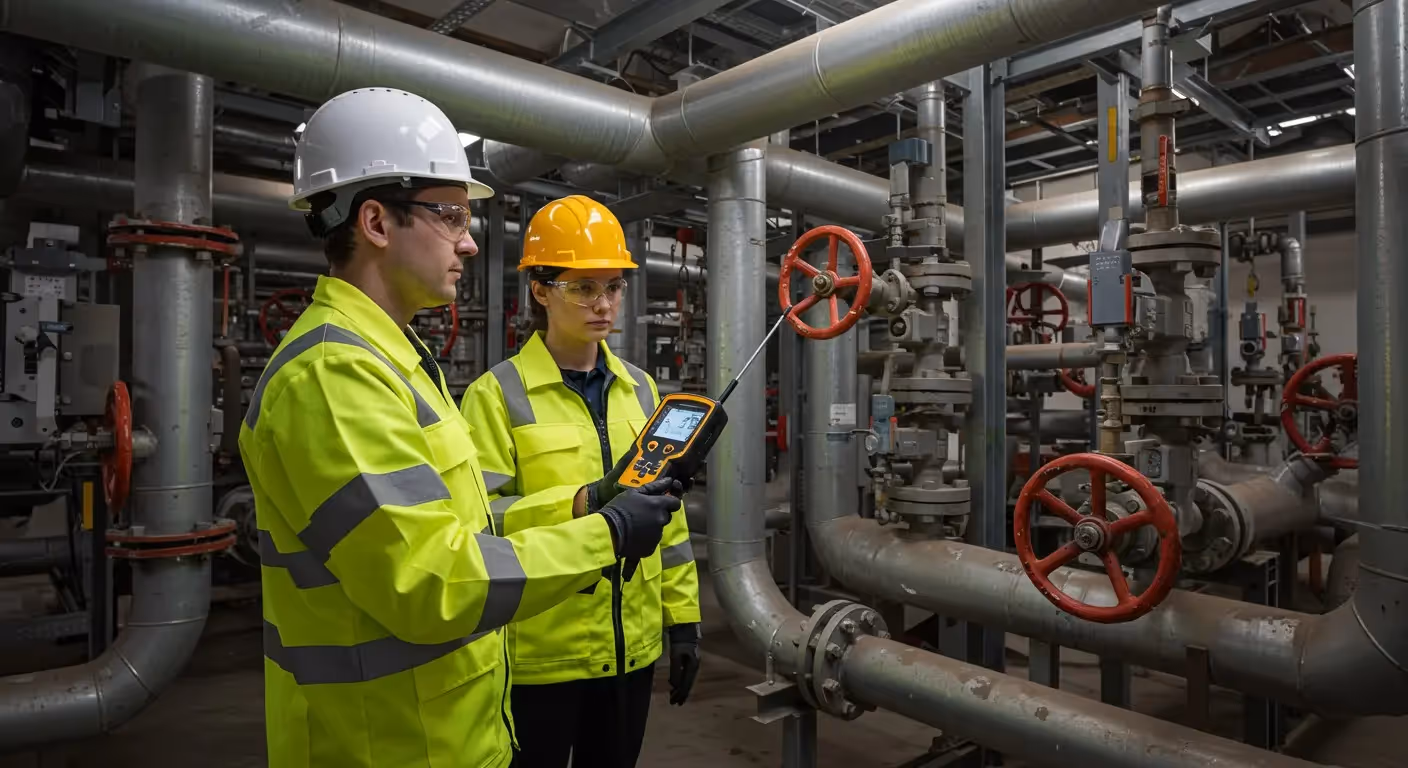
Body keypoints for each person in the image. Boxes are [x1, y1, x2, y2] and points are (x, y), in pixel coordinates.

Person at [239, 89, 682, 768]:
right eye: (450, 216)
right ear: (377, 222)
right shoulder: (332, 379)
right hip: (382, 745)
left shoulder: (398, 365)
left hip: (446, 733)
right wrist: (608, 534)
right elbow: (431, 580)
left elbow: (464, 525)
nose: (470, 241)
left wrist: (581, 503)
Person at [461, 196, 702, 768]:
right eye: (583, 288)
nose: (603, 305)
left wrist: (685, 620)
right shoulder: (495, 396)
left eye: (613, 288)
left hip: (630, 654)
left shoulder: (641, 390)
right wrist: (583, 505)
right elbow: (481, 521)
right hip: (541, 656)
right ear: (540, 290)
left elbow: (667, 514)